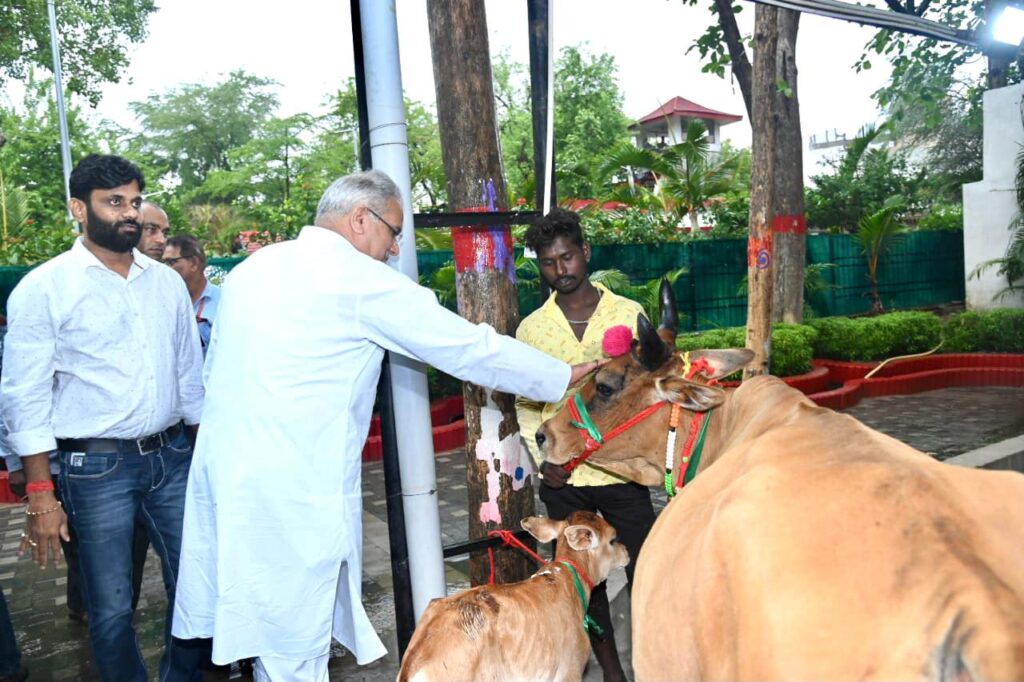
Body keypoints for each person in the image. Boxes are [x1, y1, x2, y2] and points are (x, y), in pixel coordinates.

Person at [172, 170, 603, 681]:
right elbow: (464, 346)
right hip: (291, 491)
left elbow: (211, 373)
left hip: (226, 479)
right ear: (360, 218)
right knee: (295, 647)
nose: (396, 248)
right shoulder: (358, 280)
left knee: (265, 632)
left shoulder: (253, 269)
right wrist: (558, 374)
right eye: (394, 231)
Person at [0, 154, 209, 682]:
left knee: (200, 581)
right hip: (95, 472)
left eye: (134, 201)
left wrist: (206, 456)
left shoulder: (164, 284)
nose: (130, 213)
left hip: (172, 458)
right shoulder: (45, 288)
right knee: (113, 607)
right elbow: (23, 395)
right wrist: (42, 495)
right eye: (114, 202)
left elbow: (190, 377)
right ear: (79, 208)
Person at [515, 208, 656, 682]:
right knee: (586, 590)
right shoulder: (532, 330)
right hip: (567, 482)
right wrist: (543, 461)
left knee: (648, 577)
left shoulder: (628, 315)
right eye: (550, 262)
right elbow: (526, 406)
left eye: (568, 257)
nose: (562, 269)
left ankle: (656, 665)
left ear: (585, 253)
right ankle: (614, 676)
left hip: (623, 474)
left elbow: (646, 392)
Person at [163, 235, 220, 355]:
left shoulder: (223, 301)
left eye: (171, 262)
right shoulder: (163, 302)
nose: (164, 269)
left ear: (194, 263)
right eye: (163, 263)